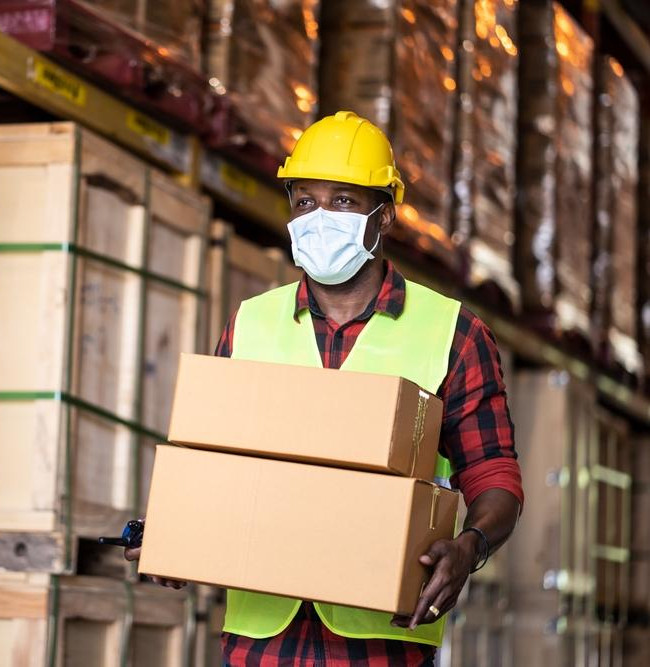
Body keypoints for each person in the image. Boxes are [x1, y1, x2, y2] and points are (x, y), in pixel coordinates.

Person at [126, 111, 523, 666]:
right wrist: (175, 533)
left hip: (381, 648)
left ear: (384, 216)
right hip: (262, 646)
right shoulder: (251, 323)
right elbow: (212, 467)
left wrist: (469, 548)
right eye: (305, 202)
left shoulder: (452, 333)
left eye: (343, 201)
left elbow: (494, 476)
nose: (319, 218)